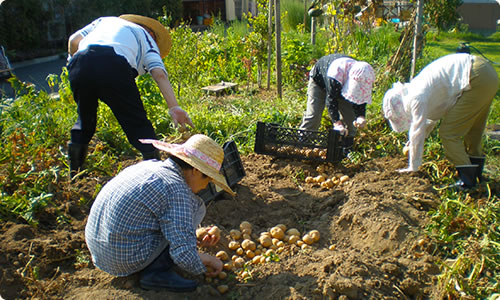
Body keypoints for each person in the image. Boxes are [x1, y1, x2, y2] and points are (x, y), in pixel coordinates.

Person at [85, 134, 235, 292]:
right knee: (194, 207)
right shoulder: (176, 189)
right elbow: (184, 255)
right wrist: (208, 260)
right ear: (196, 170)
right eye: (207, 180)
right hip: (121, 258)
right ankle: (156, 274)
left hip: (98, 245)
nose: (206, 186)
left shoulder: (150, 166)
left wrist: (193, 234)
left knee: (180, 217)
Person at [66, 14, 194, 178]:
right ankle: (156, 175)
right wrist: (174, 107)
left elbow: (73, 40)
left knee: (85, 121)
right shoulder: (147, 38)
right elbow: (159, 74)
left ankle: (75, 176)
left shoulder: (105, 21)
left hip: (80, 63)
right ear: (152, 34)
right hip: (112, 64)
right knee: (138, 124)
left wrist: (73, 63)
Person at [383, 53, 498, 189]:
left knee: (448, 134)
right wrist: (413, 143)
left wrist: (413, 167)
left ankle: (467, 182)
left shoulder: (415, 98)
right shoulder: (415, 89)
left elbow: (417, 131)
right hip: (487, 74)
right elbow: (430, 120)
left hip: (474, 76)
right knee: (473, 130)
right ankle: (476, 176)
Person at [299, 54, 375, 155]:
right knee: (314, 116)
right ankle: (302, 146)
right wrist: (337, 123)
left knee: (351, 122)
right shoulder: (336, 72)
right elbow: (331, 101)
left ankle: (345, 151)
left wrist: (360, 116)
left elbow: (361, 97)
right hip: (319, 82)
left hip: (340, 85)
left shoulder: (364, 76)